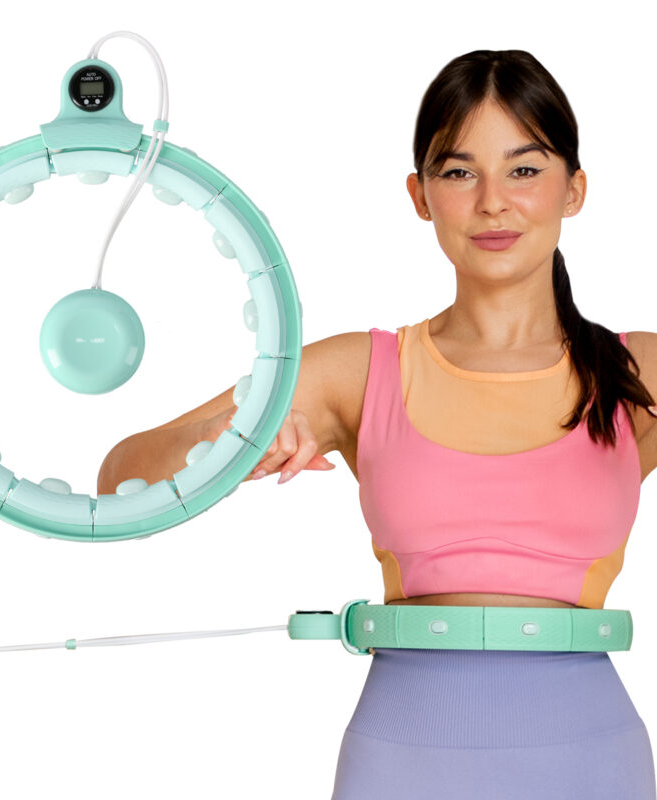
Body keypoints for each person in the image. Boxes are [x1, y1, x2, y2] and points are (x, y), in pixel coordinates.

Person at [98, 49, 657, 798]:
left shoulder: (635, 374)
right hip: (404, 759)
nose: (493, 202)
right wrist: (224, 442)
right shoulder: (362, 372)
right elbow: (119, 476)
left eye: (524, 169)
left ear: (574, 188)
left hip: (591, 761)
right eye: (458, 172)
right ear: (420, 195)